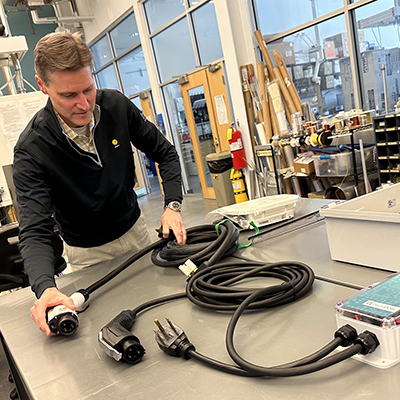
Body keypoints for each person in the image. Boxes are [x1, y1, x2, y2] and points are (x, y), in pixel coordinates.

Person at [13, 31, 186, 336]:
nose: (83, 104)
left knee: (160, 310)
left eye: (88, 89)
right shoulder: (32, 149)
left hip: (137, 235)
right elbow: (35, 229)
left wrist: (172, 205)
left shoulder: (116, 107)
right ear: (43, 86)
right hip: (86, 254)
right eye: (68, 95)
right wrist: (45, 289)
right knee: (106, 331)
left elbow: (166, 153)